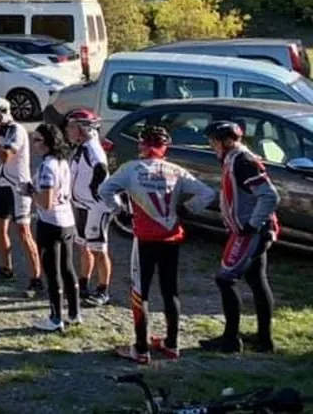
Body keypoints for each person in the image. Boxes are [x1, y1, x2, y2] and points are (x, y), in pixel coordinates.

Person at [99, 125, 217, 365]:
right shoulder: (176, 170)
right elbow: (207, 193)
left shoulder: (130, 169)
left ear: (142, 145)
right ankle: (172, 344)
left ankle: (141, 349)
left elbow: (104, 189)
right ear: (165, 148)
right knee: (170, 290)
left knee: (140, 292)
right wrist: (185, 210)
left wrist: (119, 210)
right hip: (171, 237)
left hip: (144, 239)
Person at [200, 120, 280, 354]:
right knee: (256, 279)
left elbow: (270, 196)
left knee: (225, 279)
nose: (212, 146)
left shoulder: (242, 161)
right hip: (252, 229)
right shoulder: (234, 158)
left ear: (226, 141)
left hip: (251, 231)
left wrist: (251, 225)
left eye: (213, 141)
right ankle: (264, 340)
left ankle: (231, 340)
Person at [0, 97, 43, 293]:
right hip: (1, 186)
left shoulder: (16, 130)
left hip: (18, 188)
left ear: (2, 115)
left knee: (23, 233)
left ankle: (36, 279)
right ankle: (7, 268)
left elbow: (6, 156)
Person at [30, 123, 79, 333]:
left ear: (49, 142)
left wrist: (29, 191)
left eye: (38, 140)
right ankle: (74, 314)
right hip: (67, 221)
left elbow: (46, 201)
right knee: (68, 268)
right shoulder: (63, 162)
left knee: (52, 271)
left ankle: (55, 317)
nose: (34, 144)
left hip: (50, 223)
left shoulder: (47, 166)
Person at [65, 109, 113, 307]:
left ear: (82, 129)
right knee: (83, 245)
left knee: (99, 249)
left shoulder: (92, 148)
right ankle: (83, 283)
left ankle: (103, 290)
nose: (68, 130)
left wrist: (95, 191)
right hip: (82, 204)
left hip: (96, 207)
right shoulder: (81, 146)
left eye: (71, 126)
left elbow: (101, 169)